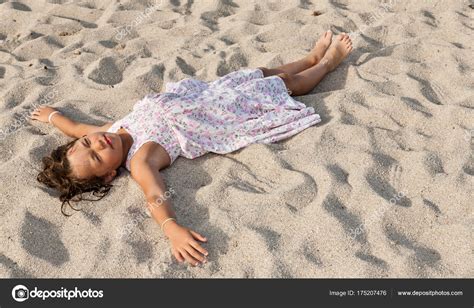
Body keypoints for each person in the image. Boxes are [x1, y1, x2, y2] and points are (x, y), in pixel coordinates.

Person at [31, 31, 352, 267]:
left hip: (206, 95)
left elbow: (75, 129)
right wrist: (171, 229)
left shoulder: (107, 132)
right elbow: (154, 195)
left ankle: (308, 58)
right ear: (110, 173)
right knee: (284, 85)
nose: (98, 143)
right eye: (98, 156)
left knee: (261, 73)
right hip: (223, 112)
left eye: (88, 144)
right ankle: (324, 65)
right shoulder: (141, 159)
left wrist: (53, 116)